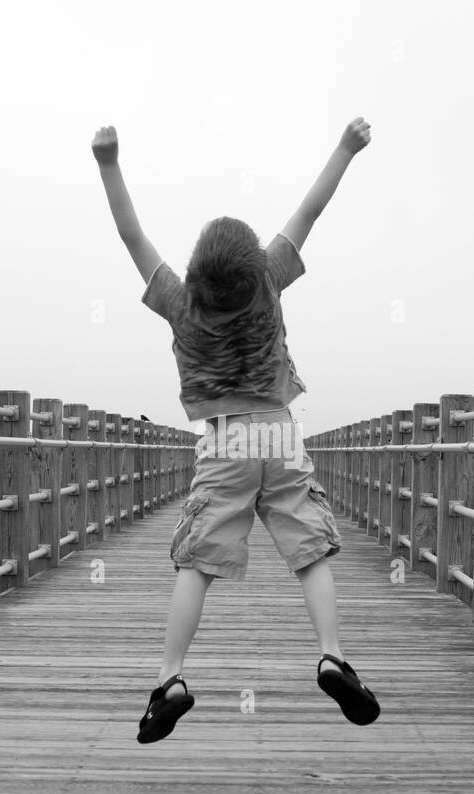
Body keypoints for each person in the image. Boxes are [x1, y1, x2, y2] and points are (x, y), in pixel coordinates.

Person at [92, 118, 381, 744]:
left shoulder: (180, 301)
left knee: (196, 564)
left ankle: (170, 679)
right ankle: (332, 656)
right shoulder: (270, 281)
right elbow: (312, 206)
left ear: (198, 270)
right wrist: (346, 147)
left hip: (224, 442)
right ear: (254, 268)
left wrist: (108, 161)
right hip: (279, 434)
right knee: (311, 553)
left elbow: (129, 232)